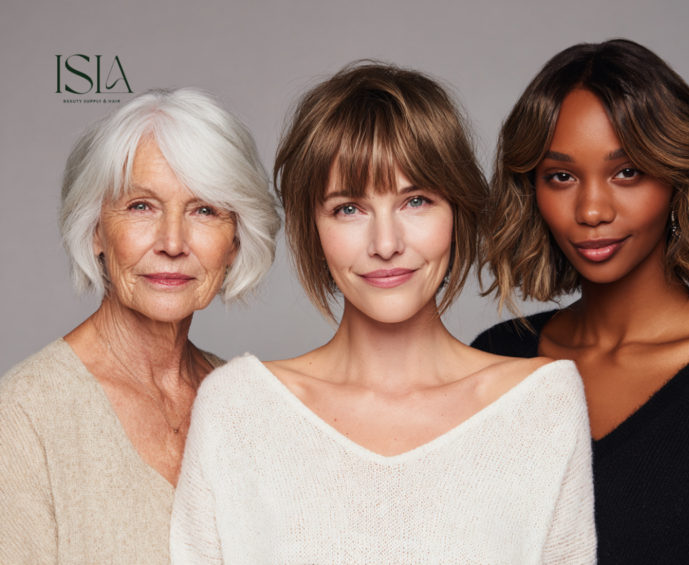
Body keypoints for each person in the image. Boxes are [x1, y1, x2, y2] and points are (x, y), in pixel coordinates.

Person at [170, 61, 597, 564]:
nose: (387, 244)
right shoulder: (236, 411)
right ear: (314, 227)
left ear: (457, 209)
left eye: (416, 200)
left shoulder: (541, 406)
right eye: (349, 208)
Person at [472, 39, 689, 564]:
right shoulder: (497, 357)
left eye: (626, 171)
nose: (590, 210)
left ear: (677, 176)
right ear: (531, 190)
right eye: (560, 176)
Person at [0, 88, 281, 565]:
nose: (172, 242)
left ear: (235, 241)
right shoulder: (22, 417)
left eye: (204, 209)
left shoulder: (251, 405)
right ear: (94, 231)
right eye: (141, 206)